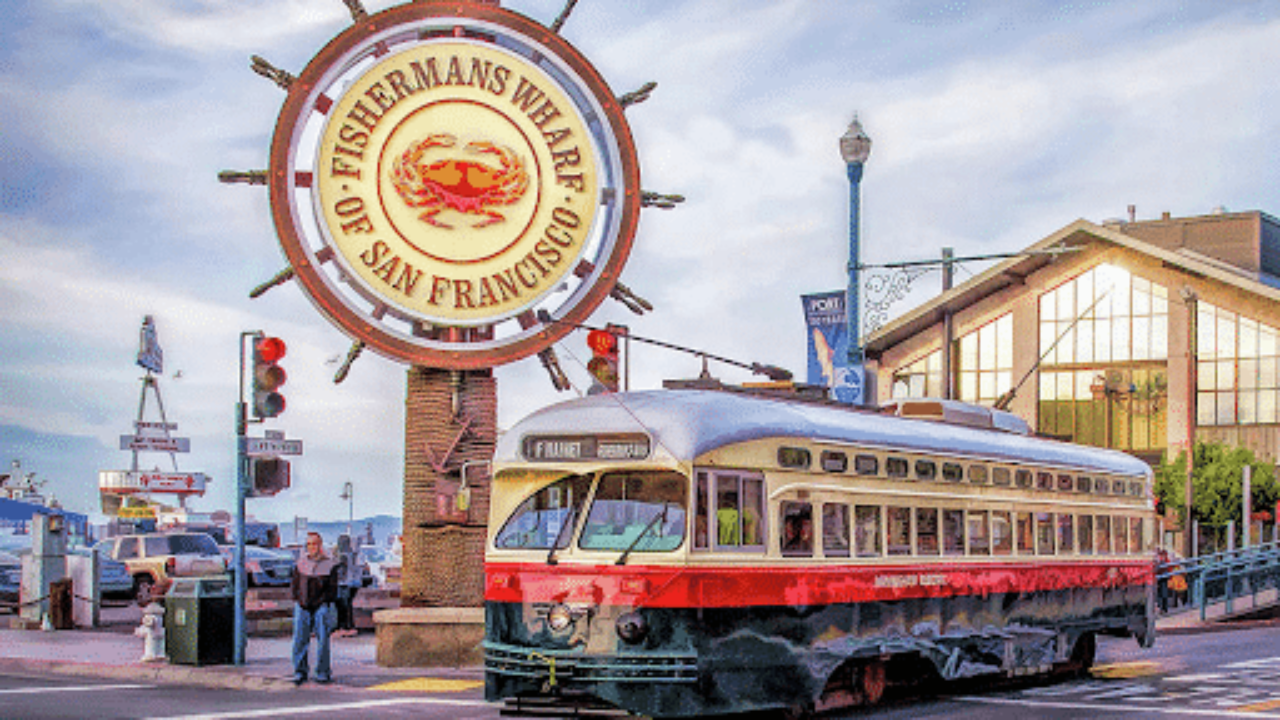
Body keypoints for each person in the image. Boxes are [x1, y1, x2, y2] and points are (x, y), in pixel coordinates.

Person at [290, 532, 339, 684]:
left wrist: (325, 601)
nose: (312, 547)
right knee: (299, 639)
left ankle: (323, 672)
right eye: (309, 544)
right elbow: (295, 584)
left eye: (315, 544)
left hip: (321, 606)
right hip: (302, 605)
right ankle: (299, 672)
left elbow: (333, 588)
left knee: (323, 640)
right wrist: (298, 600)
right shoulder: (301, 563)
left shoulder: (330, 564)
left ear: (320, 545)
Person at [333, 534, 363, 638]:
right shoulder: (352, 554)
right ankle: (348, 627)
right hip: (352, 583)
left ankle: (344, 627)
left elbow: (340, 569)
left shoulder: (342, 555)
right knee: (346, 605)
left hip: (344, 584)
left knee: (342, 606)